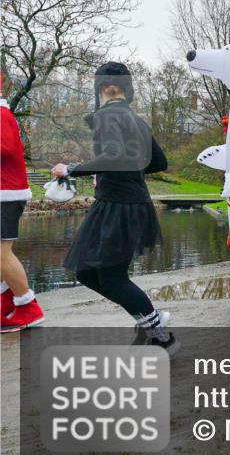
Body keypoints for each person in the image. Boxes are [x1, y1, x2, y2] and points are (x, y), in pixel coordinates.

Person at [51, 62, 175, 349]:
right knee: (86, 271)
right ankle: (150, 320)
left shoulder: (106, 116)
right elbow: (159, 162)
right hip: (124, 204)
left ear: (102, 88)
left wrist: (70, 169)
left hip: (119, 207)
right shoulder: (136, 119)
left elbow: (112, 155)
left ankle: (159, 335)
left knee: (110, 276)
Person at [1, 82, 45, 333]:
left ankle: (29, 308)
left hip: (6, 194)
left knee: (1, 253)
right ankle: (6, 304)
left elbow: (4, 149)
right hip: (4, 193)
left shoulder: (2, 114)